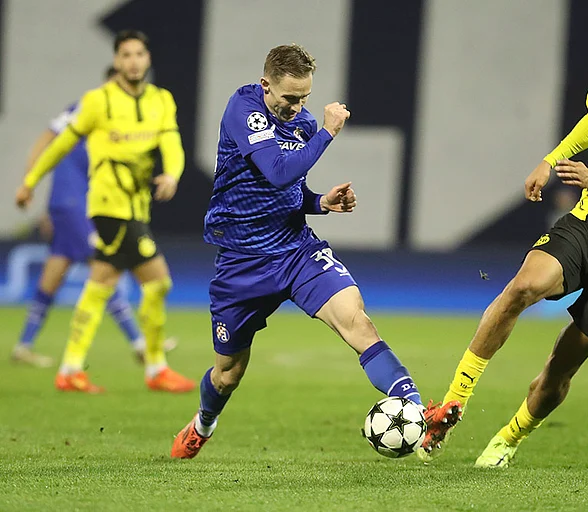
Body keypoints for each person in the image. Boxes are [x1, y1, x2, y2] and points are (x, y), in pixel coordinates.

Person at [417, 18, 588, 466]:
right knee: (522, 286)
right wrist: (551, 160)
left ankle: (510, 436)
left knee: (560, 368)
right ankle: (452, 403)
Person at [170, 43, 461, 459]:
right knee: (228, 373)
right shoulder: (243, 109)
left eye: (304, 97)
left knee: (356, 321)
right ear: (266, 84)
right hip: (242, 263)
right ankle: (203, 424)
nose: (297, 106)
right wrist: (327, 133)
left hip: (295, 251)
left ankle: (418, 410)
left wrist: (320, 202)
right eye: (290, 98)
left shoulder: (302, 122)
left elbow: (289, 190)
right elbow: (276, 171)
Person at [15, 30, 194, 393]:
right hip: (110, 208)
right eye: (125, 54)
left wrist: (172, 174)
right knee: (158, 282)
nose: (133, 61)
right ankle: (155, 366)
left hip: (138, 208)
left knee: (100, 283)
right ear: (116, 61)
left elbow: (172, 142)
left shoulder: (162, 100)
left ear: (147, 59)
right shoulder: (96, 101)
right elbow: (61, 143)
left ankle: (70, 368)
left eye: (139, 54)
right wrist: (30, 180)